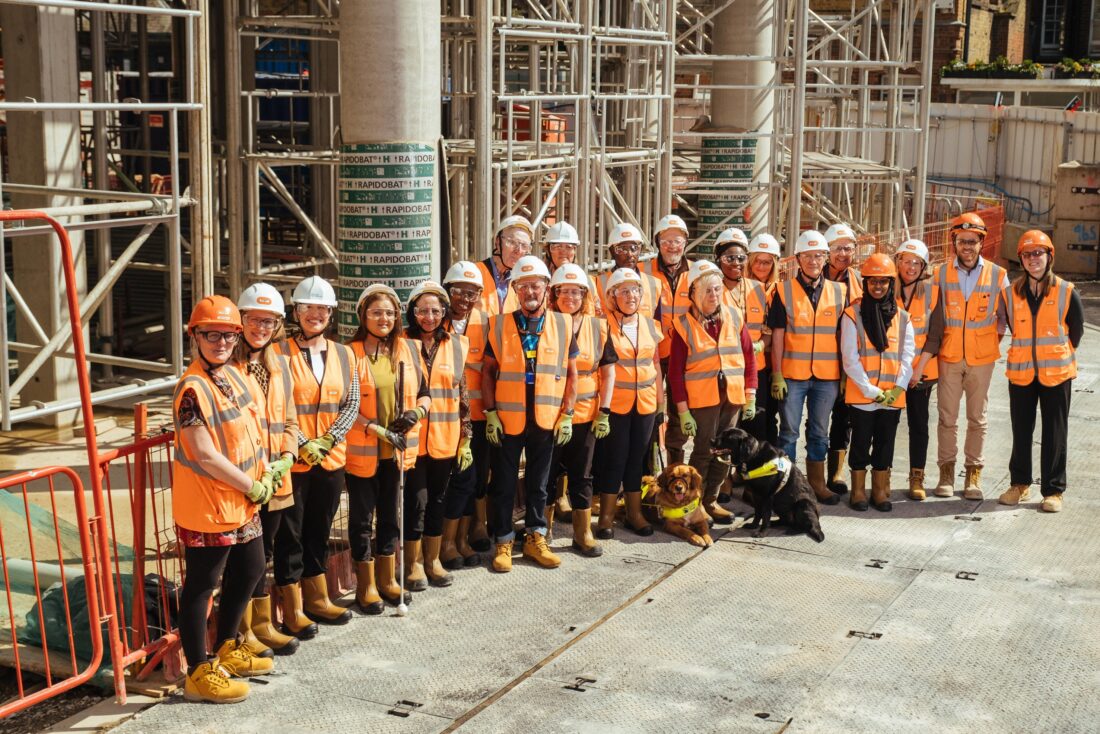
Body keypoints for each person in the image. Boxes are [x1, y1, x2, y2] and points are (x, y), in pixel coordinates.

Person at [174, 296, 274, 704]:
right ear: (194, 336)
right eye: (210, 334)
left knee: (250, 568)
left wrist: (265, 471)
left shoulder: (233, 375)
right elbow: (204, 454)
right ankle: (198, 670)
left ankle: (228, 646)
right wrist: (250, 485)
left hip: (241, 499)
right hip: (210, 503)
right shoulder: (192, 389)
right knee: (202, 585)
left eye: (228, 335)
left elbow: (252, 428)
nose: (220, 342)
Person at [481, 255, 578, 572]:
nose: (529, 292)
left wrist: (568, 414)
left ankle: (537, 537)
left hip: (546, 417)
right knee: (504, 484)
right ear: (515, 291)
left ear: (546, 288)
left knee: (539, 483)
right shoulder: (498, 325)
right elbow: (488, 371)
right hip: (509, 418)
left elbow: (573, 373)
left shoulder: (563, 325)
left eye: (535, 285)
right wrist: (491, 412)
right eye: (522, 287)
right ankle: (504, 541)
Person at [275, 276, 356, 629]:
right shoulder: (278, 353)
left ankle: (318, 597)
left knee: (319, 530)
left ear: (331, 313)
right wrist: (304, 444)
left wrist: (329, 439)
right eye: (308, 307)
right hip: (293, 461)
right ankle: (292, 608)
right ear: (296, 311)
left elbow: (351, 403)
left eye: (322, 308)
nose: (315, 314)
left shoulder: (343, 353)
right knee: (289, 534)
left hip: (330, 459)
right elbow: (275, 405)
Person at [232, 284, 303, 657]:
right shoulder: (228, 365)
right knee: (243, 559)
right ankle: (242, 632)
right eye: (255, 319)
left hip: (276, 479)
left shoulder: (280, 365)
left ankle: (262, 625)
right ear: (241, 320)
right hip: (243, 481)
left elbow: (290, 419)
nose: (262, 327)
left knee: (265, 553)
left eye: (270, 321)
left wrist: (288, 456)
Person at [345, 284, 424, 611]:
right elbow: (343, 405)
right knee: (362, 521)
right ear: (363, 315)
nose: (384, 318)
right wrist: (376, 429)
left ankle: (388, 579)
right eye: (376, 312)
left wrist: (416, 413)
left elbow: (425, 394)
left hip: (396, 453)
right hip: (364, 454)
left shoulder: (409, 350)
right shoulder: (350, 353)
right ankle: (366, 587)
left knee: (391, 516)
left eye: (390, 313)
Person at [1000, 230, 1083, 513]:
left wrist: (1052, 355)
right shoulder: (1010, 294)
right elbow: (1013, 328)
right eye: (1027, 254)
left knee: (1055, 433)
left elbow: (1077, 333)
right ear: (1021, 259)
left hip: (1056, 374)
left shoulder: (1066, 291)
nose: (1033, 259)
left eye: (1039, 253)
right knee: (1021, 431)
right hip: (1022, 373)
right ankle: (1020, 484)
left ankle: (1053, 490)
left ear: (1050, 257)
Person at [669, 260, 755, 523]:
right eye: (707, 290)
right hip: (703, 399)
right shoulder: (683, 325)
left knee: (725, 451)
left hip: (731, 396)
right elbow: (675, 373)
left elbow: (749, 357)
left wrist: (750, 395)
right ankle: (694, 504)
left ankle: (712, 500)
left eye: (717, 289)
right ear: (694, 293)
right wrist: (683, 411)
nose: (713, 295)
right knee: (704, 451)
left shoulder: (734, 316)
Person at [933, 212, 1009, 500]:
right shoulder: (940, 273)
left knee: (978, 418)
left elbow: (1004, 316)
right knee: (947, 418)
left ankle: (973, 473)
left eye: (973, 241)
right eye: (962, 240)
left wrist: (988, 341)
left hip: (981, 360)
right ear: (954, 241)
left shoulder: (998, 275)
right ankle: (946, 472)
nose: (967, 246)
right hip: (949, 358)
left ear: (981, 243)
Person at [769, 230, 847, 505]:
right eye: (808, 256)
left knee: (819, 432)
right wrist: (776, 373)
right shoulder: (782, 290)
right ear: (798, 259)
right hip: (793, 376)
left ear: (825, 258)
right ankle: (788, 486)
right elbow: (777, 335)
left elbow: (843, 336)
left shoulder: (840, 291)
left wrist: (845, 375)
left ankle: (817, 483)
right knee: (788, 432)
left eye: (818, 256)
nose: (813, 261)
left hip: (826, 378)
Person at [405, 281, 472, 588]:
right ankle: (414, 563)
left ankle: (433, 560)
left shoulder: (458, 344)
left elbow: (462, 394)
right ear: (412, 312)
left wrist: (466, 436)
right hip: (412, 441)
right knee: (415, 502)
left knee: (438, 501)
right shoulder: (401, 342)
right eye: (422, 310)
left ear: (444, 312)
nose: (429, 317)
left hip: (446, 439)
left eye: (435, 310)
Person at [546, 263, 616, 556]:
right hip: (549, 412)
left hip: (585, 414)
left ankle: (582, 532)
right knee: (546, 474)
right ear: (555, 294)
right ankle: (542, 532)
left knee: (582, 474)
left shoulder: (598, 327)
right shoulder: (545, 324)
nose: (570, 297)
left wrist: (605, 411)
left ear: (585, 295)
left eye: (576, 292)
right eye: (564, 291)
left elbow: (609, 371)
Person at [840, 254, 915, 513]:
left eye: (883, 282)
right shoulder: (853, 315)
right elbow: (850, 359)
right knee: (860, 444)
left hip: (892, 398)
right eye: (872, 281)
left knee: (885, 444)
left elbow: (907, 357)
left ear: (891, 283)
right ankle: (858, 491)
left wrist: (897, 388)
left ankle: (880, 491)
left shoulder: (903, 318)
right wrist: (872, 391)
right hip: (863, 397)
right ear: (865, 283)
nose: (878, 287)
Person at [594, 268, 664, 538]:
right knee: (615, 459)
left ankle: (635, 514)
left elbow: (655, 364)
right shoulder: (603, 325)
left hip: (645, 404)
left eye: (634, 290)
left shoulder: (650, 325)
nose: (630, 295)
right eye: (623, 291)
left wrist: (660, 404)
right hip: (616, 405)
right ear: (612, 297)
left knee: (637, 460)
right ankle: (606, 518)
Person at [440, 262, 491, 568]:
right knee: (452, 479)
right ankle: (446, 542)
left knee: (473, 478)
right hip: (444, 418)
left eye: (471, 292)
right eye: (459, 291)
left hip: (479, 416)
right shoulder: (434, 321)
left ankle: (461, 538)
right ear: (448, 292)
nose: (464, 298)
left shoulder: (486, 322)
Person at [894, 239, 944, 500]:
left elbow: (935, 336)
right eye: (906, 261)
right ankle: (881, 477)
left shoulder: (932, 292)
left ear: (924, 266)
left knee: (919, 426)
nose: (911, 267)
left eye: (916, 263)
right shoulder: (886, 288)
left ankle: (917, 478)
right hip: (890, 373)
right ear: (898, 262)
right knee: (886, 427)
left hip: (920, 373)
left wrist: (917, 369)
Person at [645, 214, 691, 464]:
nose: (672, 246)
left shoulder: (695, 271)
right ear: (657, 243)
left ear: (685, 242)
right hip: (652, 354)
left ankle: (675, 466)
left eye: (677, 240)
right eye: (666, 240)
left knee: (678, 410)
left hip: (683, 355)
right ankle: (650, 465)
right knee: (651, 410)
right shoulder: (644, 272)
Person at [823, 223, 862, 497]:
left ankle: (835, 472)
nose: (843, 254)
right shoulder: (814, 275)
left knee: (843, 416)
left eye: (848, 248)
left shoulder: (859, 280)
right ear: (826, 251)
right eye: (837, 249)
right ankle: (812, 469)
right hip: (818, 358)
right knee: (816, 416)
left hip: (848, 359)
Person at [743, 233, 782, 445]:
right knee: (749, 419)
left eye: (767, 262)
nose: (761, 266)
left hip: (773, 362)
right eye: (757, 260)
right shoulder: (740, 288)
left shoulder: (780, 290)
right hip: (749, 363)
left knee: (768, 417)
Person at [597, 222, 663, 320]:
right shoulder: (598, 283)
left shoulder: (654, 284)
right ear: (612, 251)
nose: (629, 254)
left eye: (634, 248)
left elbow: (657, 326)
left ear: (640, 250)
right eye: (622, 249)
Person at [542, 220, 601, 317]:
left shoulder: (588, 282)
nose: (563, 252)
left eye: (569, 247)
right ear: (548, 251)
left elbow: (595, 316)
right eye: (557, 247)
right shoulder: (540, 283)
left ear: (574, 251)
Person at [476, 215, 529, 315]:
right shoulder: (475, 272)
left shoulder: (520, 283)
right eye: (512, 242)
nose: (518, 250)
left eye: (524, 246)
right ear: (497, 242)